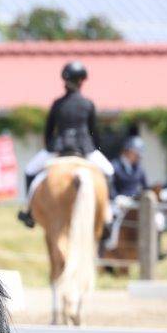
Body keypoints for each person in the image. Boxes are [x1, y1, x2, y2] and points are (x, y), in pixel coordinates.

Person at [17, 61, 115, 228]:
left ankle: (29, 213)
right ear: (81, 81)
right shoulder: (88, 104)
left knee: (29, 171)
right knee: (109, 171)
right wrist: (94, 148)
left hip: (58, 148)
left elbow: (49, 131)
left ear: (65, 80)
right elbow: (94, 133)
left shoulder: (58, 103)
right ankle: (108, 214)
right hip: (84, 149)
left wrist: (50, 146)